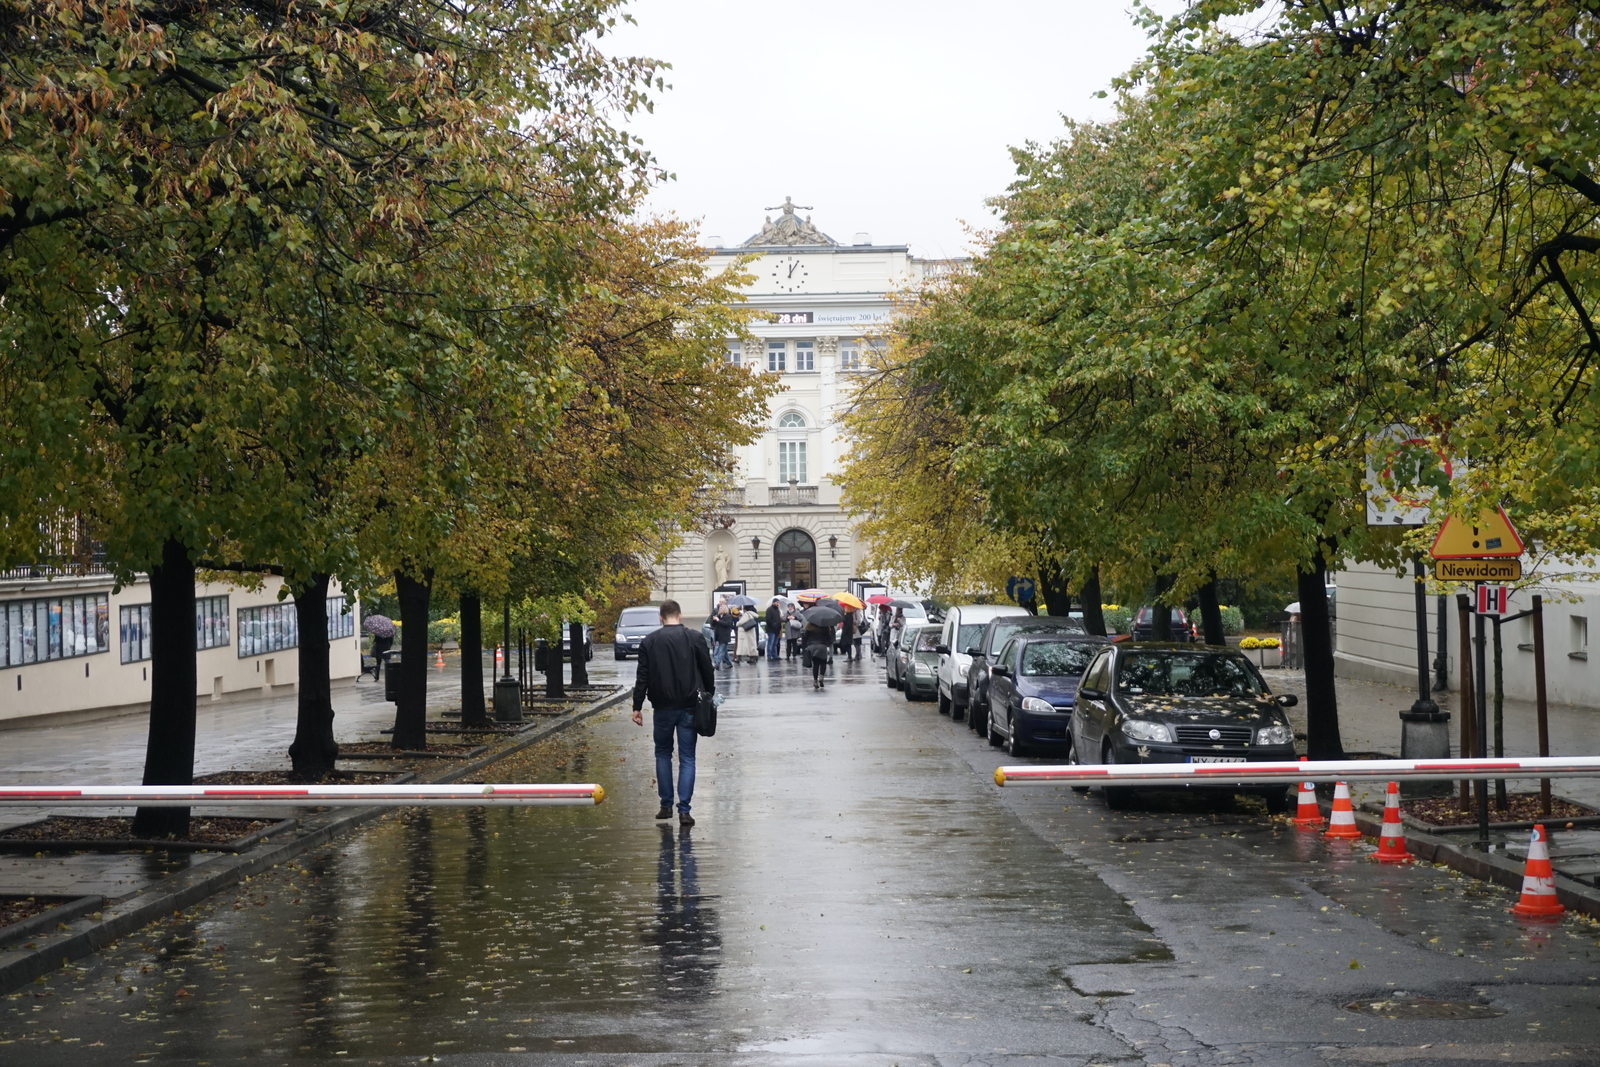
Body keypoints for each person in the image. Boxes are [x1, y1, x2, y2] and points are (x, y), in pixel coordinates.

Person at [632, 600, 715, 828]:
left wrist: (637, 706)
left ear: (661, 618)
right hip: (689, 705)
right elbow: (707, 668)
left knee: (662, 754)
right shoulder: (694, 638)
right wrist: (709, 696)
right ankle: (685, 811)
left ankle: (666, 805)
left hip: (662, 707)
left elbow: (642, 677)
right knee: (687, 758)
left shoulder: (649, 642)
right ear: (680, 616)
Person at [804, 621, 833, 688]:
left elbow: (805, 637)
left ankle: (815, 681)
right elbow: (829, 638)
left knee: (815, 664)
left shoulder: (809, 626)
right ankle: (821, 677)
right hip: (822, 646)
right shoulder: (825, 627)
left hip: (812, 646)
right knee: (823, 663)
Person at [709, 604, 736, 670]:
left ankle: (717, 664)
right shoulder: (719, 616)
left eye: (720, 609)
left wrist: (718, 620)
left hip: (725, 636)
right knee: (724, 652)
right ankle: (729, 663)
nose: (719, 610)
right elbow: (713, 624)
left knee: (721, 651)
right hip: (719, 636)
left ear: (724, 609)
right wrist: (714, 619)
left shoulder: (728, 616)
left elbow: (727, 624)